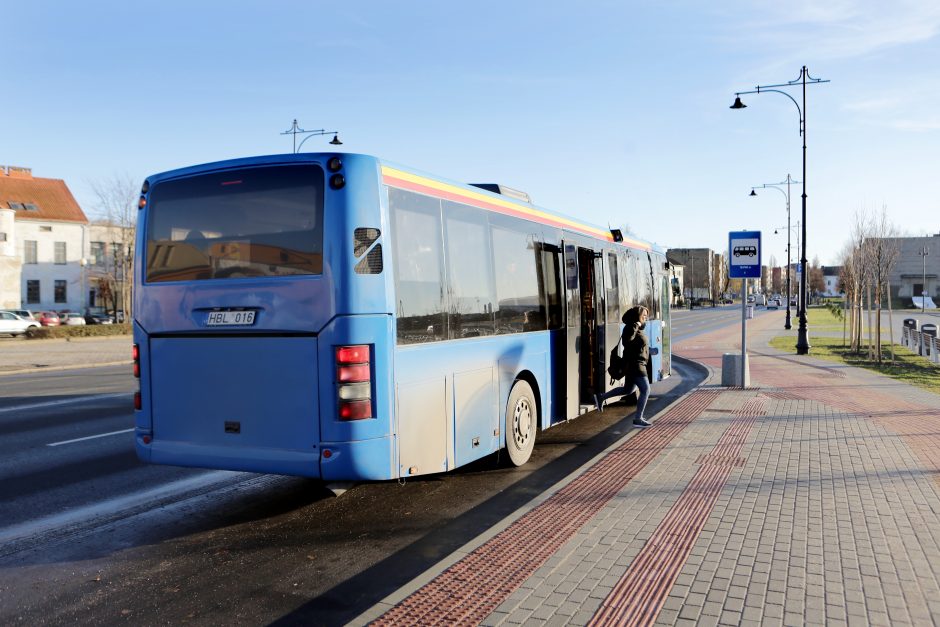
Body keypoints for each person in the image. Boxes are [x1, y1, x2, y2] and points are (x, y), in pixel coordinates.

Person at [594, 305, 652, 428]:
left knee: (628, 390)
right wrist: (636, 325)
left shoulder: (639, 328)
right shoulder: (631, 327)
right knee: (646, 390)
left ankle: (601, 397)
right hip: (635, 364)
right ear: (637, 316)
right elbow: (627, 341)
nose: (646, 318)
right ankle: (638, 418)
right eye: (644, 316)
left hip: (638, 363)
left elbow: (638, 345)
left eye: (647, 316)